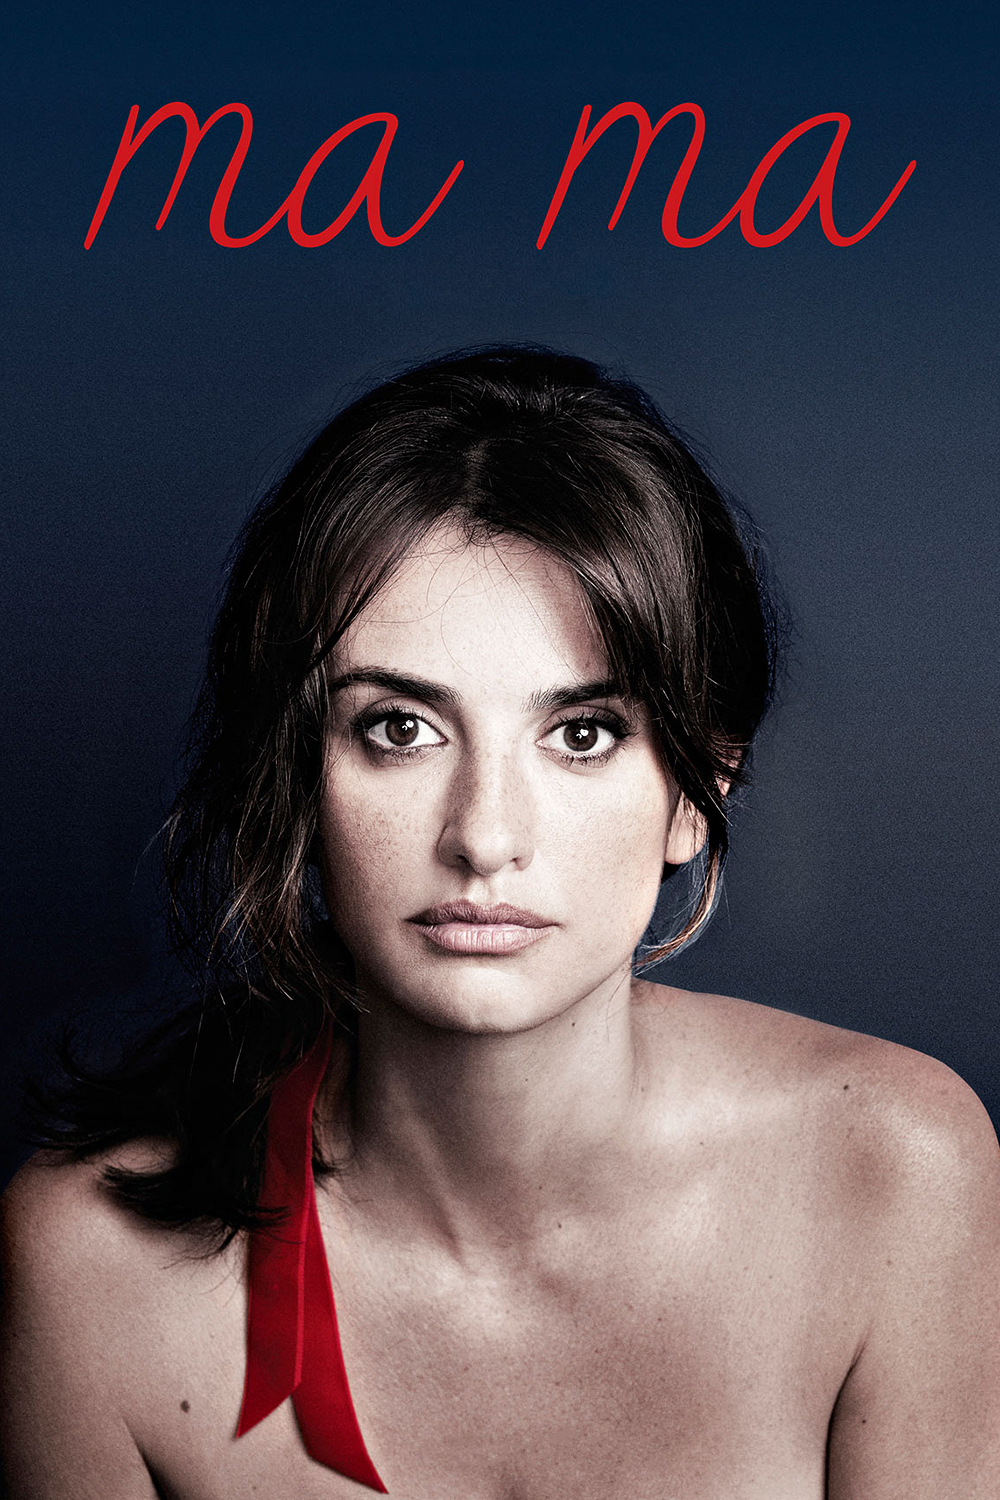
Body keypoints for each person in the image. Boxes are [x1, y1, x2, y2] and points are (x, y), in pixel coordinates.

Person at [1, 346, 998, 1500]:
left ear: (698, 789)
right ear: (298, 776)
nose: (484, 836)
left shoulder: (895, 1173)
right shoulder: (89, 1273)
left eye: (581, 734)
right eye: (399, 729)